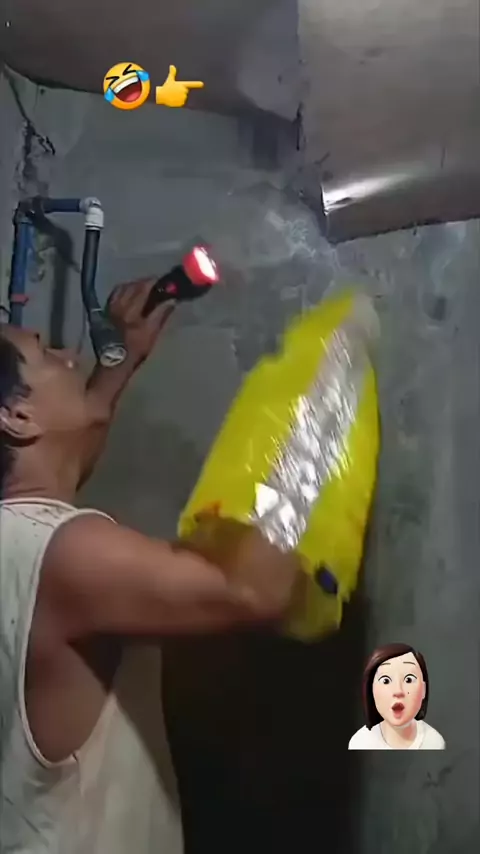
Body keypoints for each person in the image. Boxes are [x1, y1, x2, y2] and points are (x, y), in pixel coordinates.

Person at [0, 279, 301, 853]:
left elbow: (56, 474)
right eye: (45, 355)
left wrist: (121, 357)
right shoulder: (69, 554)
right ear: (16, 415)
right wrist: (311, 425)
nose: (68, 355)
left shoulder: (23, 541)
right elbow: (253, 590)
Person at [348, 642, 445, 750]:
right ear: (371, 689)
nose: (398, 691)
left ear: (424, 689)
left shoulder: (433, 742)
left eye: (409, 680)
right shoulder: (360, 743)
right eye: (386, 681)